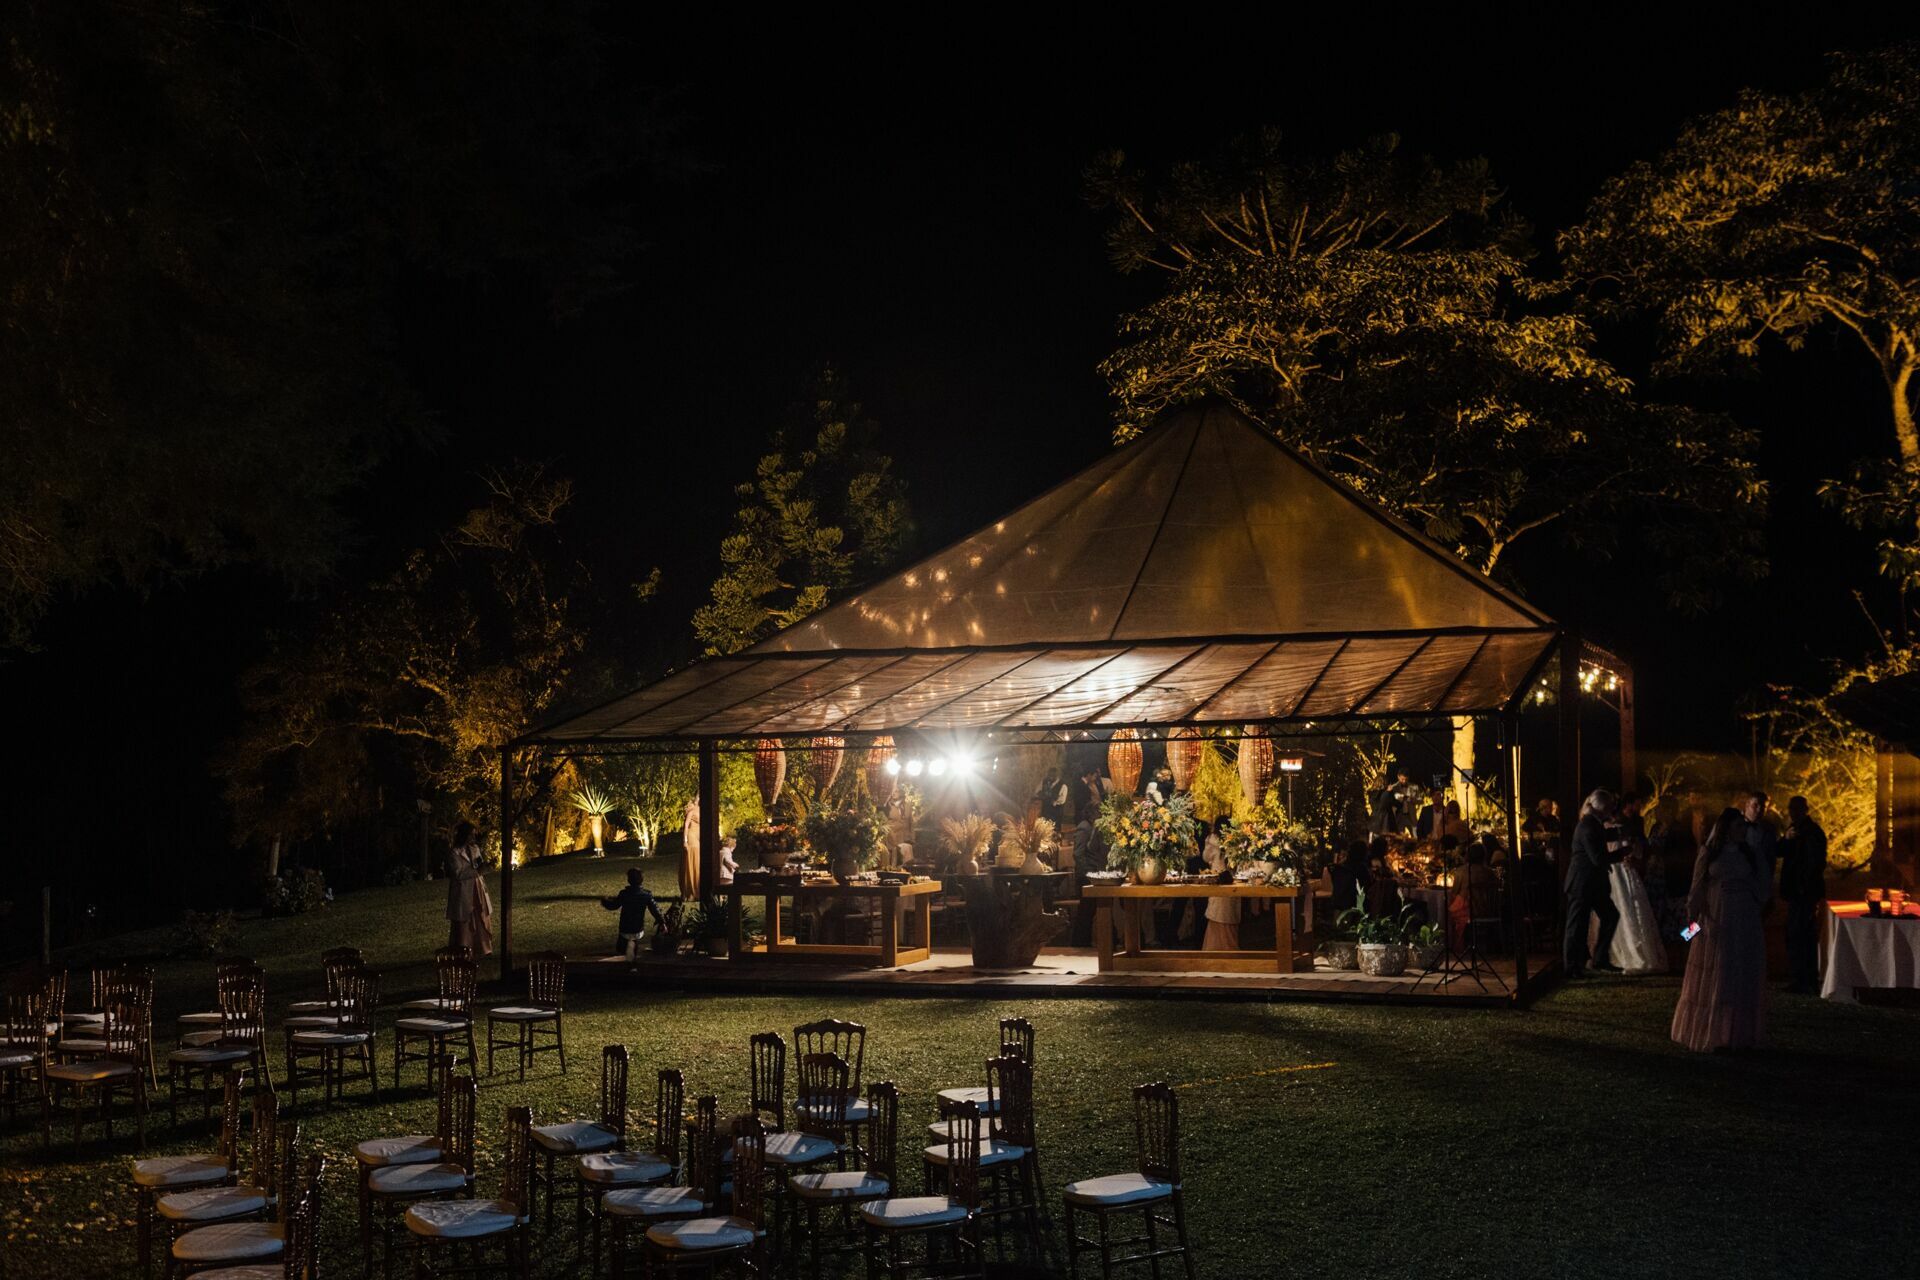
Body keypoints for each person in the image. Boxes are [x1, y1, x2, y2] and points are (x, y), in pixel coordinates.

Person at [1671, 807, 1770, 1051]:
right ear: (1726, 829)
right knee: (1716, 970)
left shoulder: (1748, 853)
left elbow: (1763, 885)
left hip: (1743, 917)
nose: (1742, 830)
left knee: (1739, 972)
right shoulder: (1709, 853)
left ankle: (1738, 1034)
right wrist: (1693, 924)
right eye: (1738, 826)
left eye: (1743, 826)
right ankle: (1710, 1032)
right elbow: (1696, 888)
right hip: (1715, 915)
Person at [1596, 795, 1666, 974]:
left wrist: (1633, 855)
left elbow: (1640, 849)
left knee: (1631, 909)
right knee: (1621, 908)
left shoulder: (1629, 827)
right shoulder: (1607, 829)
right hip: (1615, 873)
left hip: (1627, 872)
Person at [1564, 788, 1622, 978]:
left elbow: (1603, 838)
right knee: (1576, 926)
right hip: (1582, 883)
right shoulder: (1588, 826)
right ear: (1602, 808)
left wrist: (1620, 832)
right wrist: (1621, 854)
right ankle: (1572, 966)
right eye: (1609, 808)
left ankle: (1599, 958)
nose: (1611, 811)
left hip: (1592, 884)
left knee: (1610, 916)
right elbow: (1597, 857)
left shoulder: (1593, 823)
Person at [1778, 796, 1827, 995]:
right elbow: (1779, 850)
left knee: (1800, 935)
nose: (1792, 812)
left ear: (1804, 810)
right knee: (1799, 934)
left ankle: (1804, 979)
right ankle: (1804, 978)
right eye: (1791, 808)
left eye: (1796, 809)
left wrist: (1803, 888)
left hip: (1803, 893)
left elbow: (1814, 864)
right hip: (1801, 892)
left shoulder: (1810, 833)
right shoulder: (1798, 831)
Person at [445, 821, 494, 957]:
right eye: (470, 834)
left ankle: (482, 948)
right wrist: (477, 871)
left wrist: (486, 867)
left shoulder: (475, 849)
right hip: (463, 891)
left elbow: (479, 865)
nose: (473, 837)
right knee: (465, 918)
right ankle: (464, 949)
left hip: (477, 888)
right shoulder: (454, 853)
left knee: (480, 914)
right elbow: (458, 874)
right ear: (464, 835)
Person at [601, 867, 665, 960]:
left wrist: (605, 901)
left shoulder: (624, 894)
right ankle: (632, 950)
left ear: (628, 880)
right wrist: (662, 922)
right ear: (641, 880)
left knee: (622, 947)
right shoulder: (646, 895)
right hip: (638, 929)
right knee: (632, 942)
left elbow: (614, 905)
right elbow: (655, 910)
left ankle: (627, 954)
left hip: (625, 928)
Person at [1446, 839, 1501, 950]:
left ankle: (1454, 944)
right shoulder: (1490, 872)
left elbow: (1454, 892)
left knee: (1447, 910)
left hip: (1470, 910)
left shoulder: (1461, 871)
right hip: (1489, 909)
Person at [1200, 820, 1242, 950]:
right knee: (1229, 918)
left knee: (1217, 917)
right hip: (1232, 883)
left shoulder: (1212, 840)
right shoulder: (1235, 841)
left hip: (1218, 881)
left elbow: (1205, 857)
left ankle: (1214, 953)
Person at [1741, 791, 1779, 885]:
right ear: (1747, 804)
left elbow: (1771, 855)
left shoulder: (1769, 829)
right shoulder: (1733, 825)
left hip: (1761, 882)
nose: (1759, 810)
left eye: (1763, 807)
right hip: (1739, 882)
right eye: (1755, 805)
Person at [1330, 841, 1370, 912]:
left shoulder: (1342, 867)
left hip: (1340, 901)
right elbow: (1367, 886)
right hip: (1355, 902)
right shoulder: (1361, 868)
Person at [679, 798, 701, 901]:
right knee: (692, 861)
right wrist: (685, 840)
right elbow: (686, 825)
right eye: (698, 797)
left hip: (698, 836)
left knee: (697, 863)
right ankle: (690, 891)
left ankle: (697, 889)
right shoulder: (692, 810)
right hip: (692, 836)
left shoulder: (701, 809)